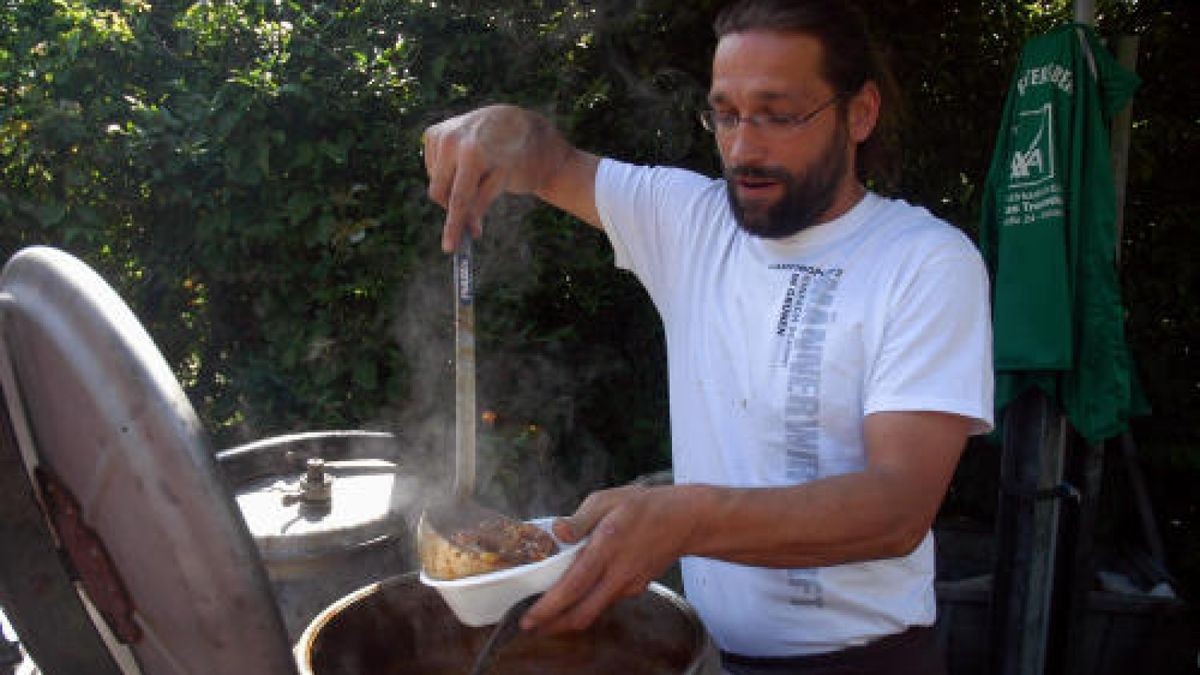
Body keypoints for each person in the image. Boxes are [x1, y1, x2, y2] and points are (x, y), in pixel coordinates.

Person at [422, 0, 993, 672]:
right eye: (725, 113)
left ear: (859, 112)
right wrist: (497, 126)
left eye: (779, 115)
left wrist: (685, 517)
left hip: (864, 659)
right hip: (704, 652)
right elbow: (549, 162)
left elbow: (899, 507)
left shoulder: (922, 259)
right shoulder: (692, 223)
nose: (744, 147)